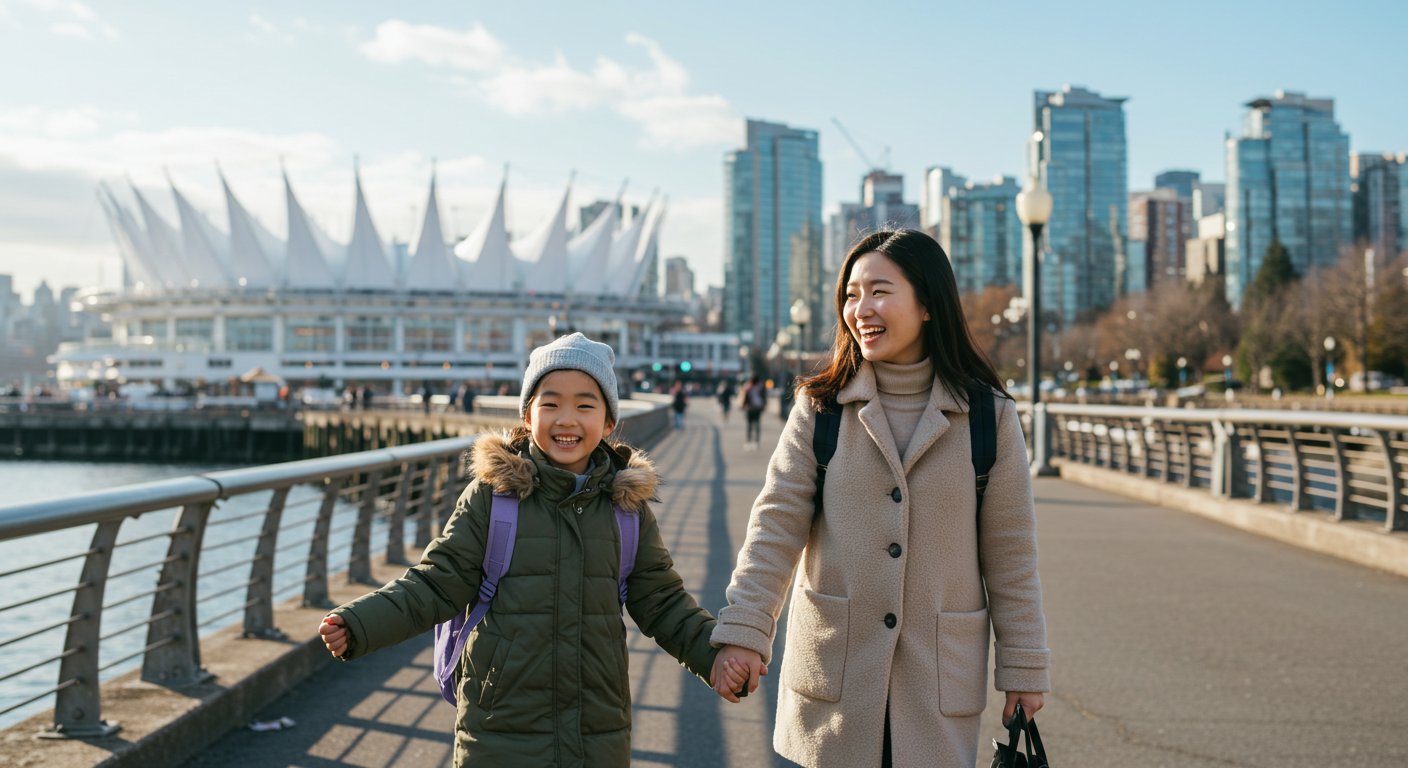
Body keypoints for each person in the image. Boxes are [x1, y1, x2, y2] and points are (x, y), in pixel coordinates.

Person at [318, 333, 746, 766]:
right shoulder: (493, 497)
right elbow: (436, 583)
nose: (567, 419)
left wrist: (714, 658)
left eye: (585, 405)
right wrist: (359, 623)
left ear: (609, 422)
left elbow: (662, 601)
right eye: (550, 403)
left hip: (595, 732)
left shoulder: (625, 510)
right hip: (498, 730)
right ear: (527, 414)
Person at [709, 230, 1050, 767]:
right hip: (836, 678)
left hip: (938, 683)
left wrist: (1024, 669)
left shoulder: (989, 417)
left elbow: (1012, 556)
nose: (860, 309)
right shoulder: (820, 409)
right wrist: (745, 632)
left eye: (879, 291)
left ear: (928, 304)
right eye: (850, 294)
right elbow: (774, 527)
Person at [740, 375, 766, 450]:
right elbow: (764, 397)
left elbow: (745, 397)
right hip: (757, 408)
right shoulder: (761, 387)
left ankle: (749, 441)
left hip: (750, 408)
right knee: (757, 424)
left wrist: (743, 405)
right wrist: (764, 405)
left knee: (750, 425)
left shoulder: (748, 387)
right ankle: (756, 442)